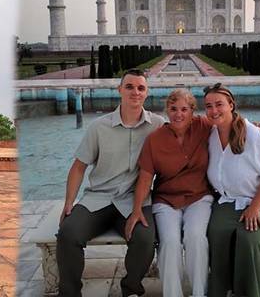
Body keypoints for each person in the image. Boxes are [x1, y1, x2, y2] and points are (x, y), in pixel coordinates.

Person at [56, 68, 165, 297]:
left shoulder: (158, 125)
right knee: (68, 233)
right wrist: (69, 202)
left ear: (146, 93)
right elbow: (79, 167)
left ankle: (131, 288)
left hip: (135, 200)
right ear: (119, 90)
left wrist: (246, 128)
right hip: (98, 198)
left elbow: (189, 131)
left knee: (145, 239)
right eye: (129, 87)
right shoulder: (99, 127)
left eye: (140, 88)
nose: (135, 92)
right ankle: (69, 293)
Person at [203, 83, 260, 297]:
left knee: (250, 240)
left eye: (219, 104)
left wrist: (255, 207)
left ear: (231, 105)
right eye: (208, 106)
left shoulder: (253, 134)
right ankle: (222, 290)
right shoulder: (210, 133)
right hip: (231, 200)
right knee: (216, 232)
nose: (214, 110)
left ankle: (253, 291)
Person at [126, 88, 213, 297]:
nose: (178, 114)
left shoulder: (203, 126)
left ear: (193, 111)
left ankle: (200, 293)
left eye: (184, 109)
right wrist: (136, 210)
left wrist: (253, 127)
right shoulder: (155, 139)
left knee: (195, 237)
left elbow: (228, 122)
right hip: (166, 199)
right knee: (170, 241)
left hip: (199, 197)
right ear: (167, 110)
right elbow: (146, 178)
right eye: (173, 109)